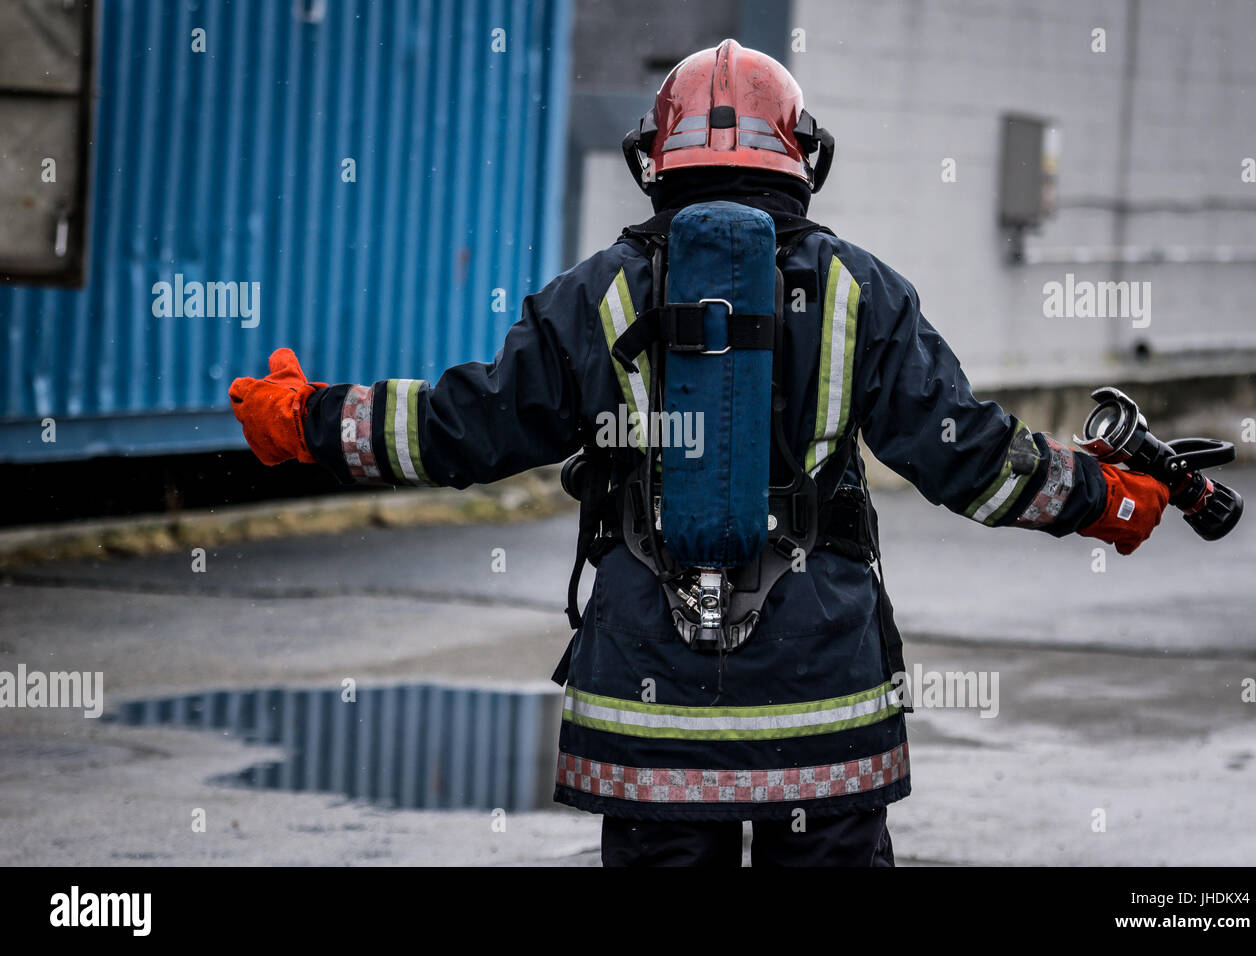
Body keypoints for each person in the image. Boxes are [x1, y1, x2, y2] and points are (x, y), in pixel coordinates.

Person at [229, 39, 1170, 867]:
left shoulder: (596, 294)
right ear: (805, 157)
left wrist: (310, 420)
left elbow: (461, 426)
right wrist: (1100, 496)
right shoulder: (859, 292)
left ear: (656, 159)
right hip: (822, 707)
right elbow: (975, 459)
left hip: (652, 712)